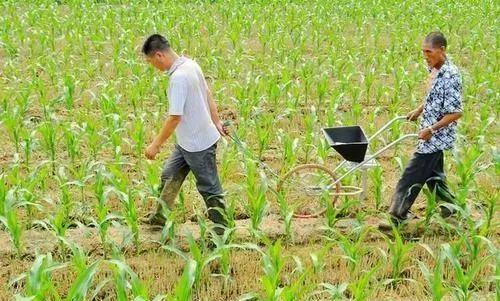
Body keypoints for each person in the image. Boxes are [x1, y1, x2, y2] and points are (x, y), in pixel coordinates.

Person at [141, 34, 228, 235]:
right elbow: (207, 93)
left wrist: (155, 145)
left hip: (199, 144)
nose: (152, 65)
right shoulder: (191, 64)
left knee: (209, 187)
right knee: (169, 175)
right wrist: (216, 121)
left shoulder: (179, 77)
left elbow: (174, 117)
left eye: (150, 61)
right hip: (186, 142)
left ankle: (223, 230)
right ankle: (159, 220)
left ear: (159, 55)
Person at [381, 32, 463, 229]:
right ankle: (451, 210)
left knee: (410, 176)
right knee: (434, 177)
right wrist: (419, 110)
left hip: (436, 137)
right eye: (423, 52)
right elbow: (433, 98)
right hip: (428, 130)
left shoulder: (450, 75)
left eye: (429, 51)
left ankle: (396, 216)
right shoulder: (435, 68)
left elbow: (456, 112)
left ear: (442, 50)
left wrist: (431, 130)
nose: (426, 56)